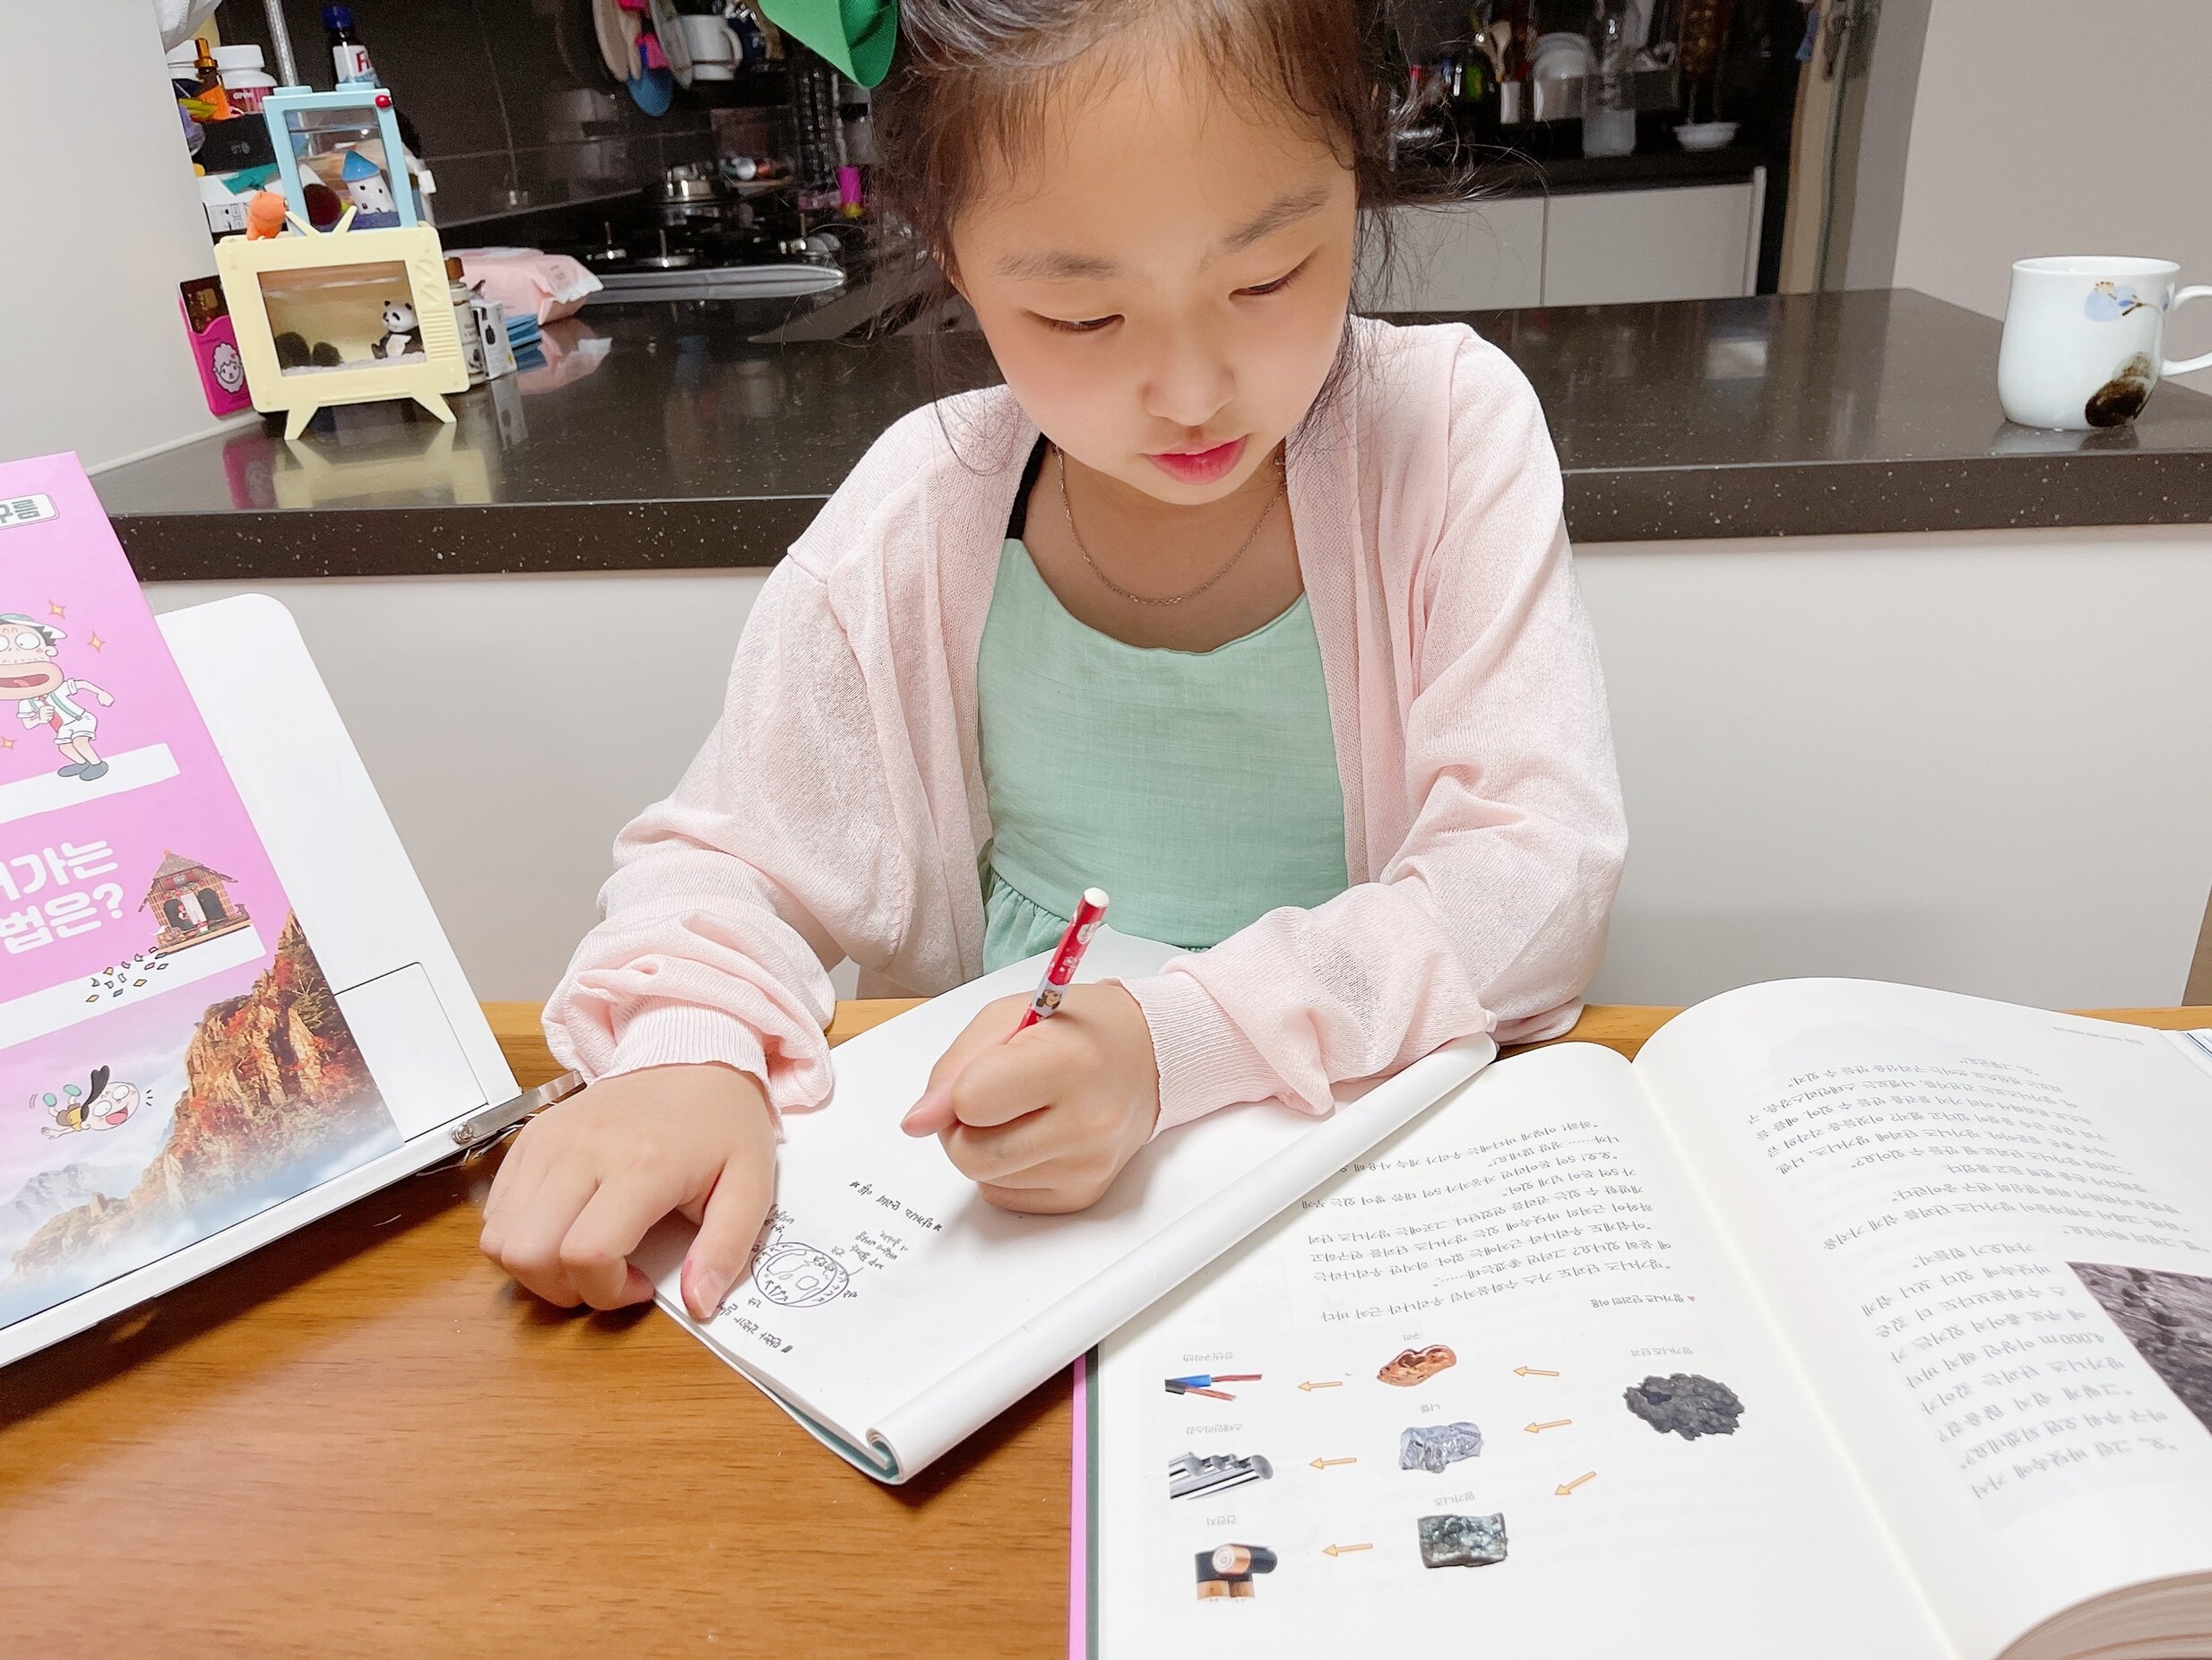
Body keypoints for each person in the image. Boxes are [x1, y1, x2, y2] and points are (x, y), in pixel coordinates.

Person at [480, 0, 1628, 1325]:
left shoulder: (1443, 433)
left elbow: (1531, 879)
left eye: (1268, 278)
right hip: (1021, 1229)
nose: (1191, 392)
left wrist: (1175, 1043)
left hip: (1371, 1198)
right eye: (1082, 316)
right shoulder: (922, 508)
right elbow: (732, 858)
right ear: (953, 260)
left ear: (1356, 180)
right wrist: (687, 1055)